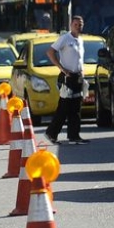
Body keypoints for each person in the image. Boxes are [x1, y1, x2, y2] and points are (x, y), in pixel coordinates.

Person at [44, 15, 88, 144]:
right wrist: (62, 69)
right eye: (76, 24)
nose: (78, 27)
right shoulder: (65, 38)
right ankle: (51, 133)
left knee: (76, 107)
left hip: (78, 76)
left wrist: (82, 74)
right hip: (67, 77)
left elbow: (79, 59)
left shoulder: (80, 40)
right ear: (71, 25)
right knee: (64, 107)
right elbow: (50, 52)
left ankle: (74, 136)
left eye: (80, 25)